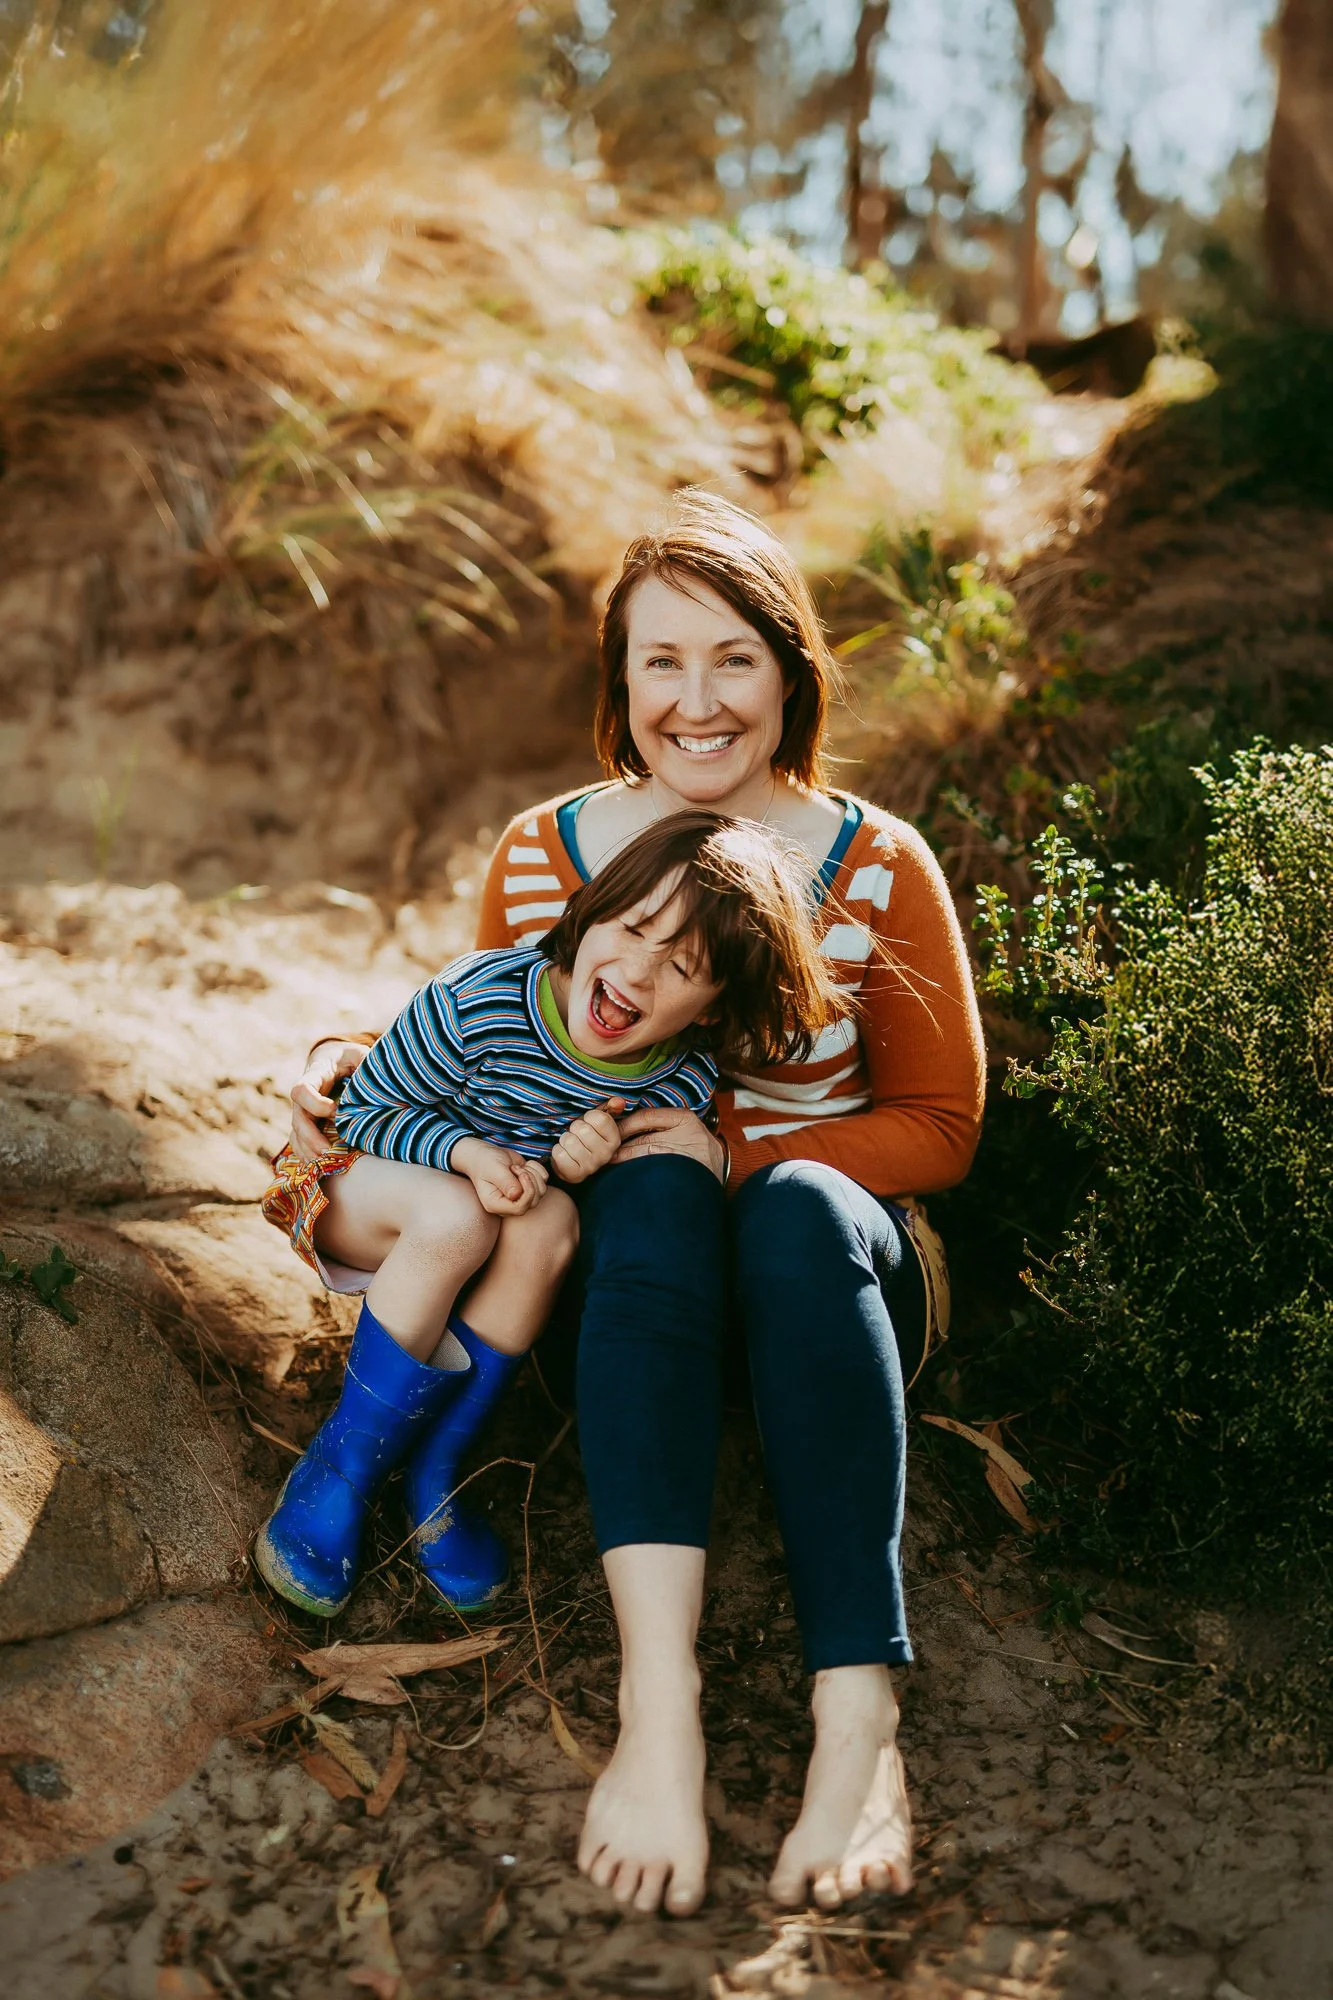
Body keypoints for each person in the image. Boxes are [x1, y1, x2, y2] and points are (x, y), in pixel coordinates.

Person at [288, 491, 985, 1917]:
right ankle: (656, 1710)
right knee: (653, 1192)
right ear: (618, 677)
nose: (697, 699)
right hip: (623, 1289)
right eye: (660, 660)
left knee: (776, 1198)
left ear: (791, 670)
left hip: (828, 1274)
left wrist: (746, 1165)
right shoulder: (547, 850)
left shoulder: (877, 858)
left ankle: (859, 1718)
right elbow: (488, 1046)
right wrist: (349, 1085)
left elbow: (944, 1126)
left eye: (733, 657)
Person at [255, 809, 841, 1620]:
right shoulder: (478, 998)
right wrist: (463, 1154)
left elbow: (592, 1201)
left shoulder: (674, 1082)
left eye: (682, 968)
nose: (639, 972)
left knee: (552, 1221)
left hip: (489, 1220)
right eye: (634, 929)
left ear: (712, 1005)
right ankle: (342, 1467)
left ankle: (435, 1474)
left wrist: (570, 1168)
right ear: (592, 909)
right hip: (355, 1188)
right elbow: (360, 1118)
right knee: (460, 1214)